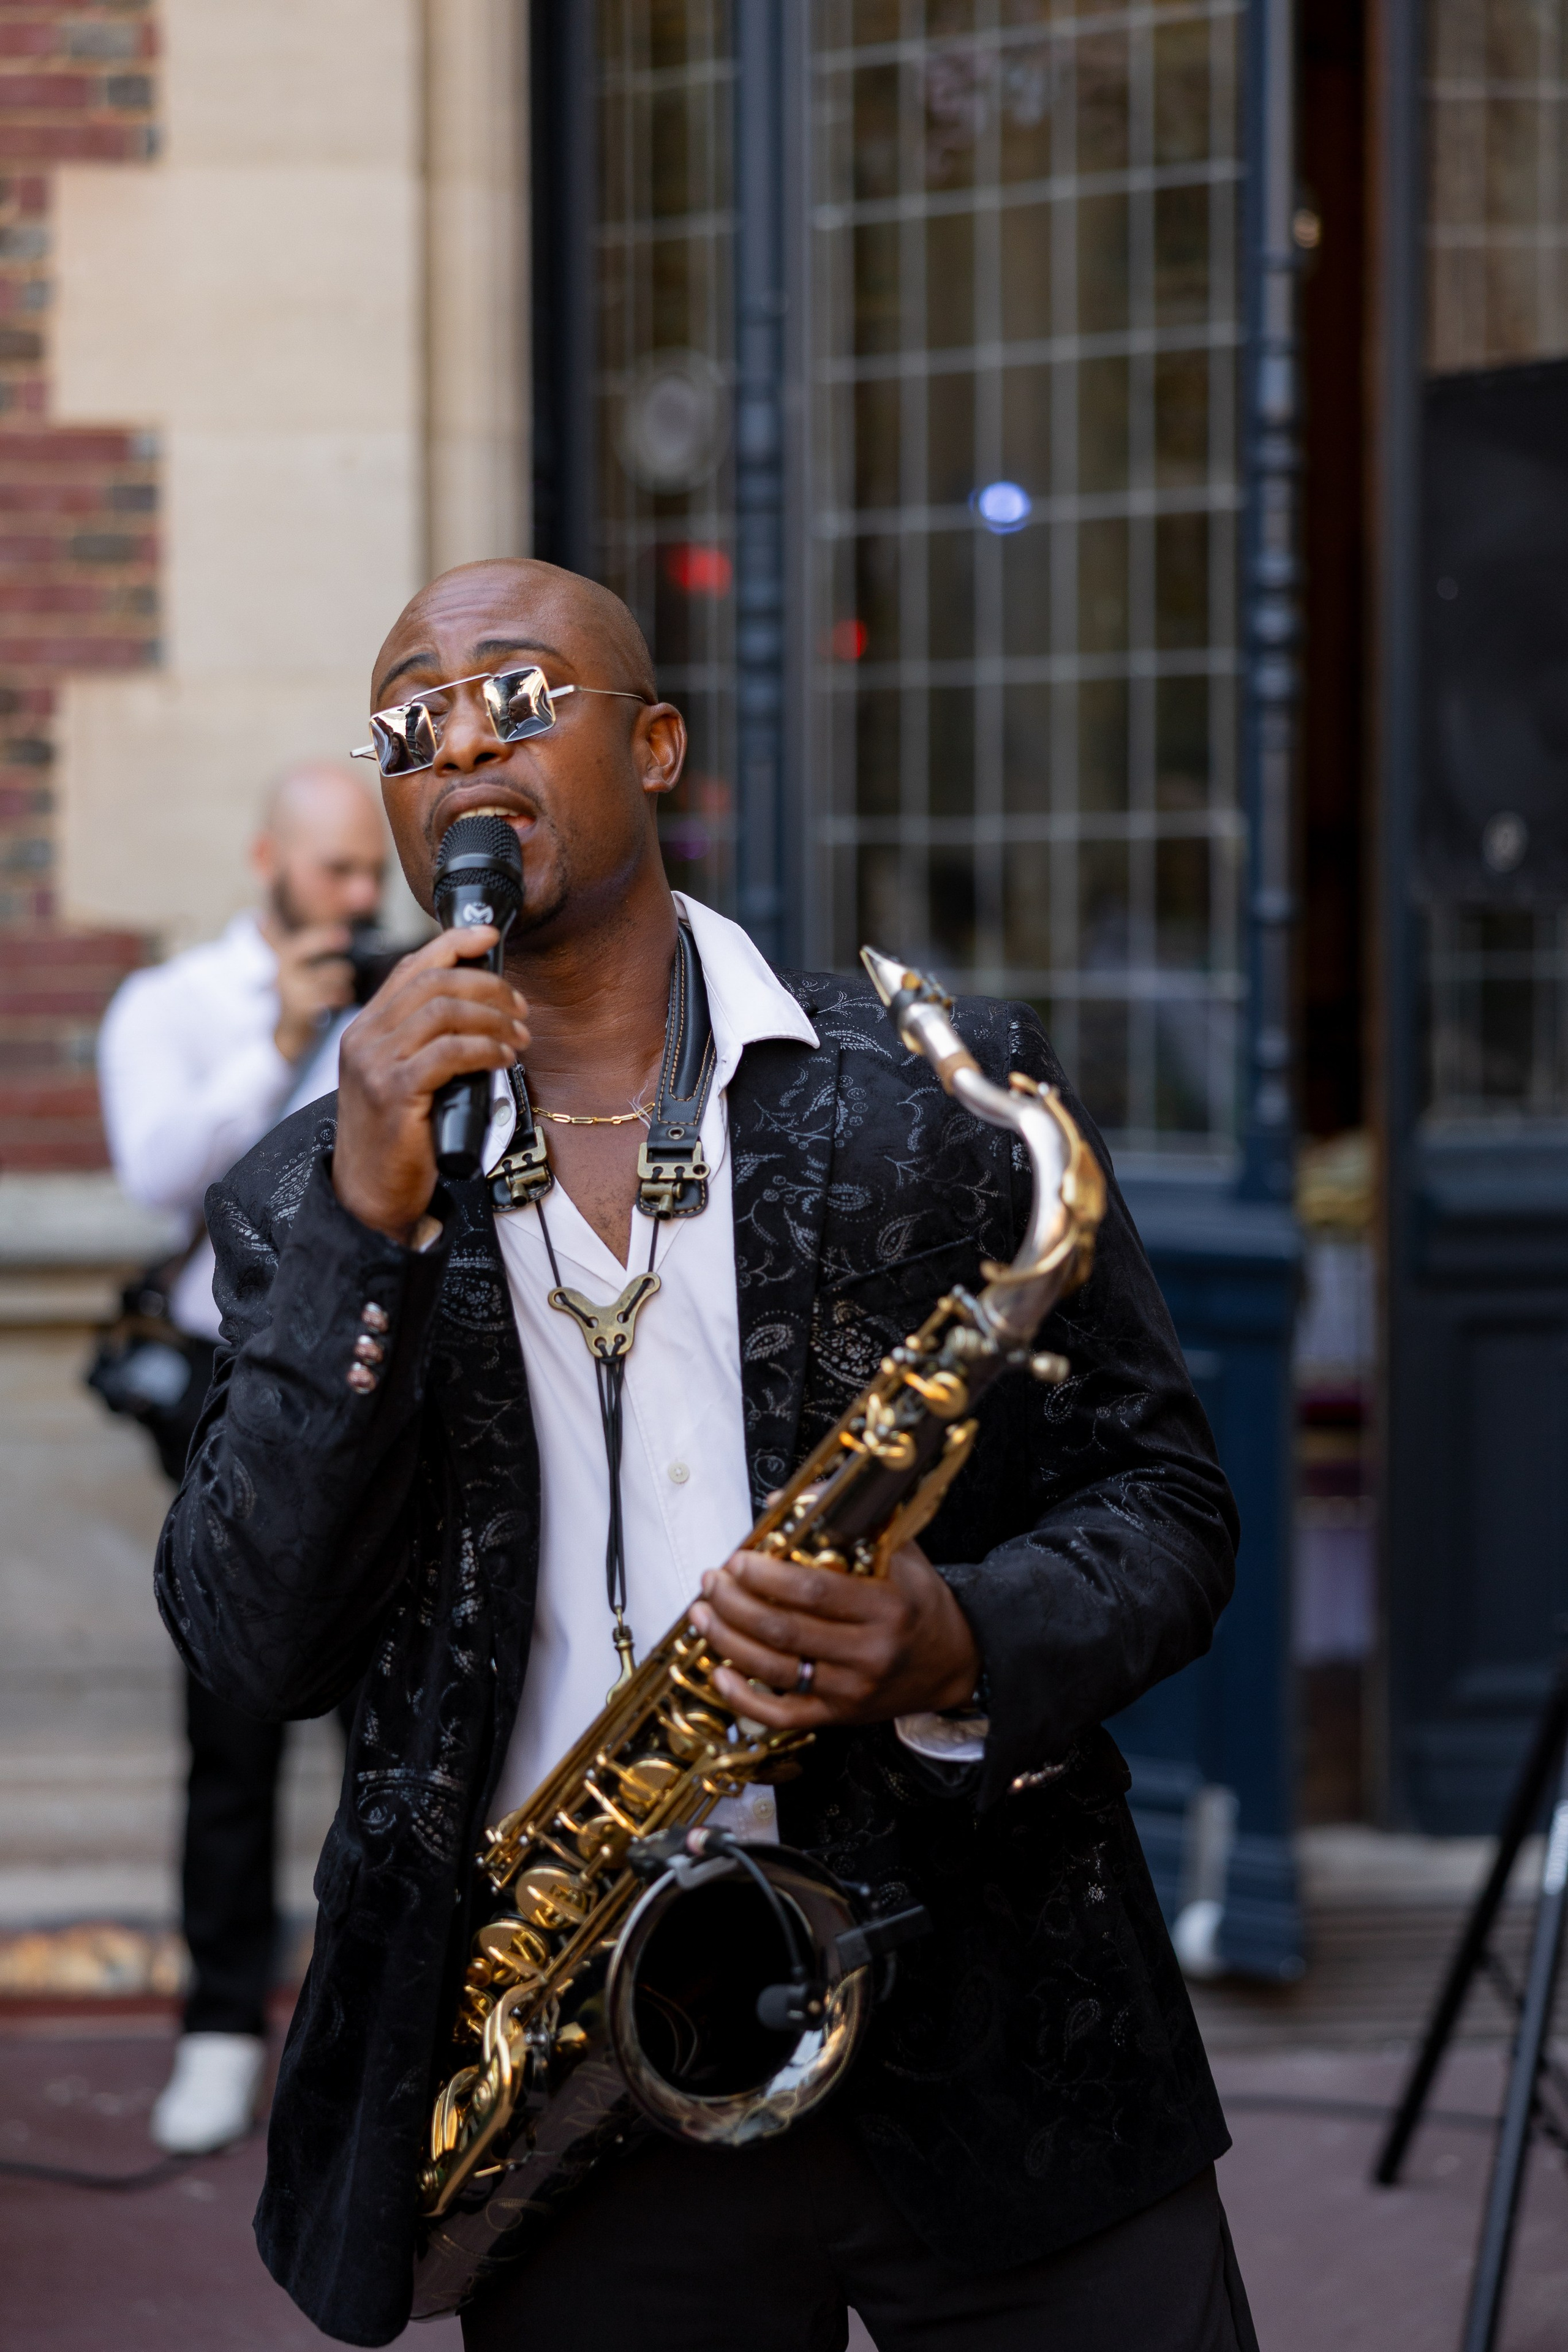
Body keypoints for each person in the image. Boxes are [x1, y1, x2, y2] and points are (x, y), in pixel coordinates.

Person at [156, 559, 1254, 2351]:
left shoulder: (932, 1096)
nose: (459, 743)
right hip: (586, 2090)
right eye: (408, 723)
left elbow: (1172, 1510)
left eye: (518, 694)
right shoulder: (309, 1195)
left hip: (999, 2022)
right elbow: (252, 1643)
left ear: (654, 745)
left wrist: (963, 1640)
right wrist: (368, 1217)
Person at [99, 763, 387, 2156]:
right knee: (233, 1716)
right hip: (232, 1382)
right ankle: (220, 2025)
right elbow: (157, 1174)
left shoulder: (403, 986)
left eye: (367, 874)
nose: (356, 896)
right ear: (267, 857)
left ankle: (373, 2023)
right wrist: (278, 1040)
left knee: (387, 1713)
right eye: (333, 870)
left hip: (381, 1369)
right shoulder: (172, 1010)